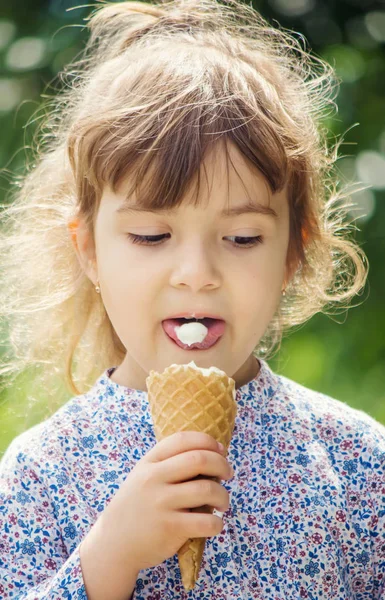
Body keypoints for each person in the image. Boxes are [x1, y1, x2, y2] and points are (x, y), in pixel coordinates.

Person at [0, 0, 384, 598]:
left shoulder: (357, 464)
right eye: (152, 236)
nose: (196, 274)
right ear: (89, 251)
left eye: (241, 238)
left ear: (291, 251)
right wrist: (109, 557)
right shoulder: (43, 473)